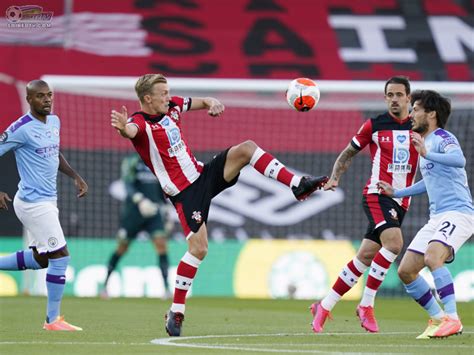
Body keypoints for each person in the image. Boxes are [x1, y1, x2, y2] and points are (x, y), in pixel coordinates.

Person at [110, 73, 328, 336]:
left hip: (203, 174)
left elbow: (201, 101)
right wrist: (123, 127)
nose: (169, 96)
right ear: (148, 98)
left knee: (247, 148)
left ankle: (297, 184)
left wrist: (213, 103)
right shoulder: (140, 122)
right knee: (199, 249)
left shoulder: (174, 105)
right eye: (164, 93)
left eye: (169, 91)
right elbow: (130, 131)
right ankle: (177, 311)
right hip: (185, 193)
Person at [311, 76, 419, 333]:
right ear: (385, 98)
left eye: (398, 95)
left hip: (402, 200)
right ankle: (367, 305)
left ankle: (324, 306)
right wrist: (335, 177)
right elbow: (348, 152)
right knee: (394, 244)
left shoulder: (418, 126)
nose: (394, 99)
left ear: (408, 98)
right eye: (389, 95)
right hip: (376, 194)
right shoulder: (374, 124)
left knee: (365, 256)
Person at [377, 90, 473, 339]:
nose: (412, 114)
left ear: (431, 114)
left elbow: (459, 160)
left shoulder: (442, 137)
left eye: (416, 109)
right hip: (437, 217)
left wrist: (427, 154)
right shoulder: (424, 143)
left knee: (433, 257)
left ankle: (452, 318)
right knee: (406, 270)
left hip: (458, 213)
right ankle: (439, 318)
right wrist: (397, 191)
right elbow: (427, 182)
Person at [0, 80, 88, 331]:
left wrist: (75, 176)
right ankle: (52, 320)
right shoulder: (20, 128)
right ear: (29, 100)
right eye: (40, 96)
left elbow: (54, 153)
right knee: (61, 256)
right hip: (33, 203)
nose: (47, 100)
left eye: (49, 95)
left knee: (41, 259)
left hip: (48, 201)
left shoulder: (54, 121)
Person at [101, 152, 172, 299]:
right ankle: (105, 286)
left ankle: (166, 289)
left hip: (153, 211)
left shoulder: (157, 162)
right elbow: (127, 184)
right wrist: (139, 200)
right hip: (133, 212)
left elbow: (161, 187)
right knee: (122, 247)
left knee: (161, 244)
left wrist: (166, 209)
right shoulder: (132, 161)